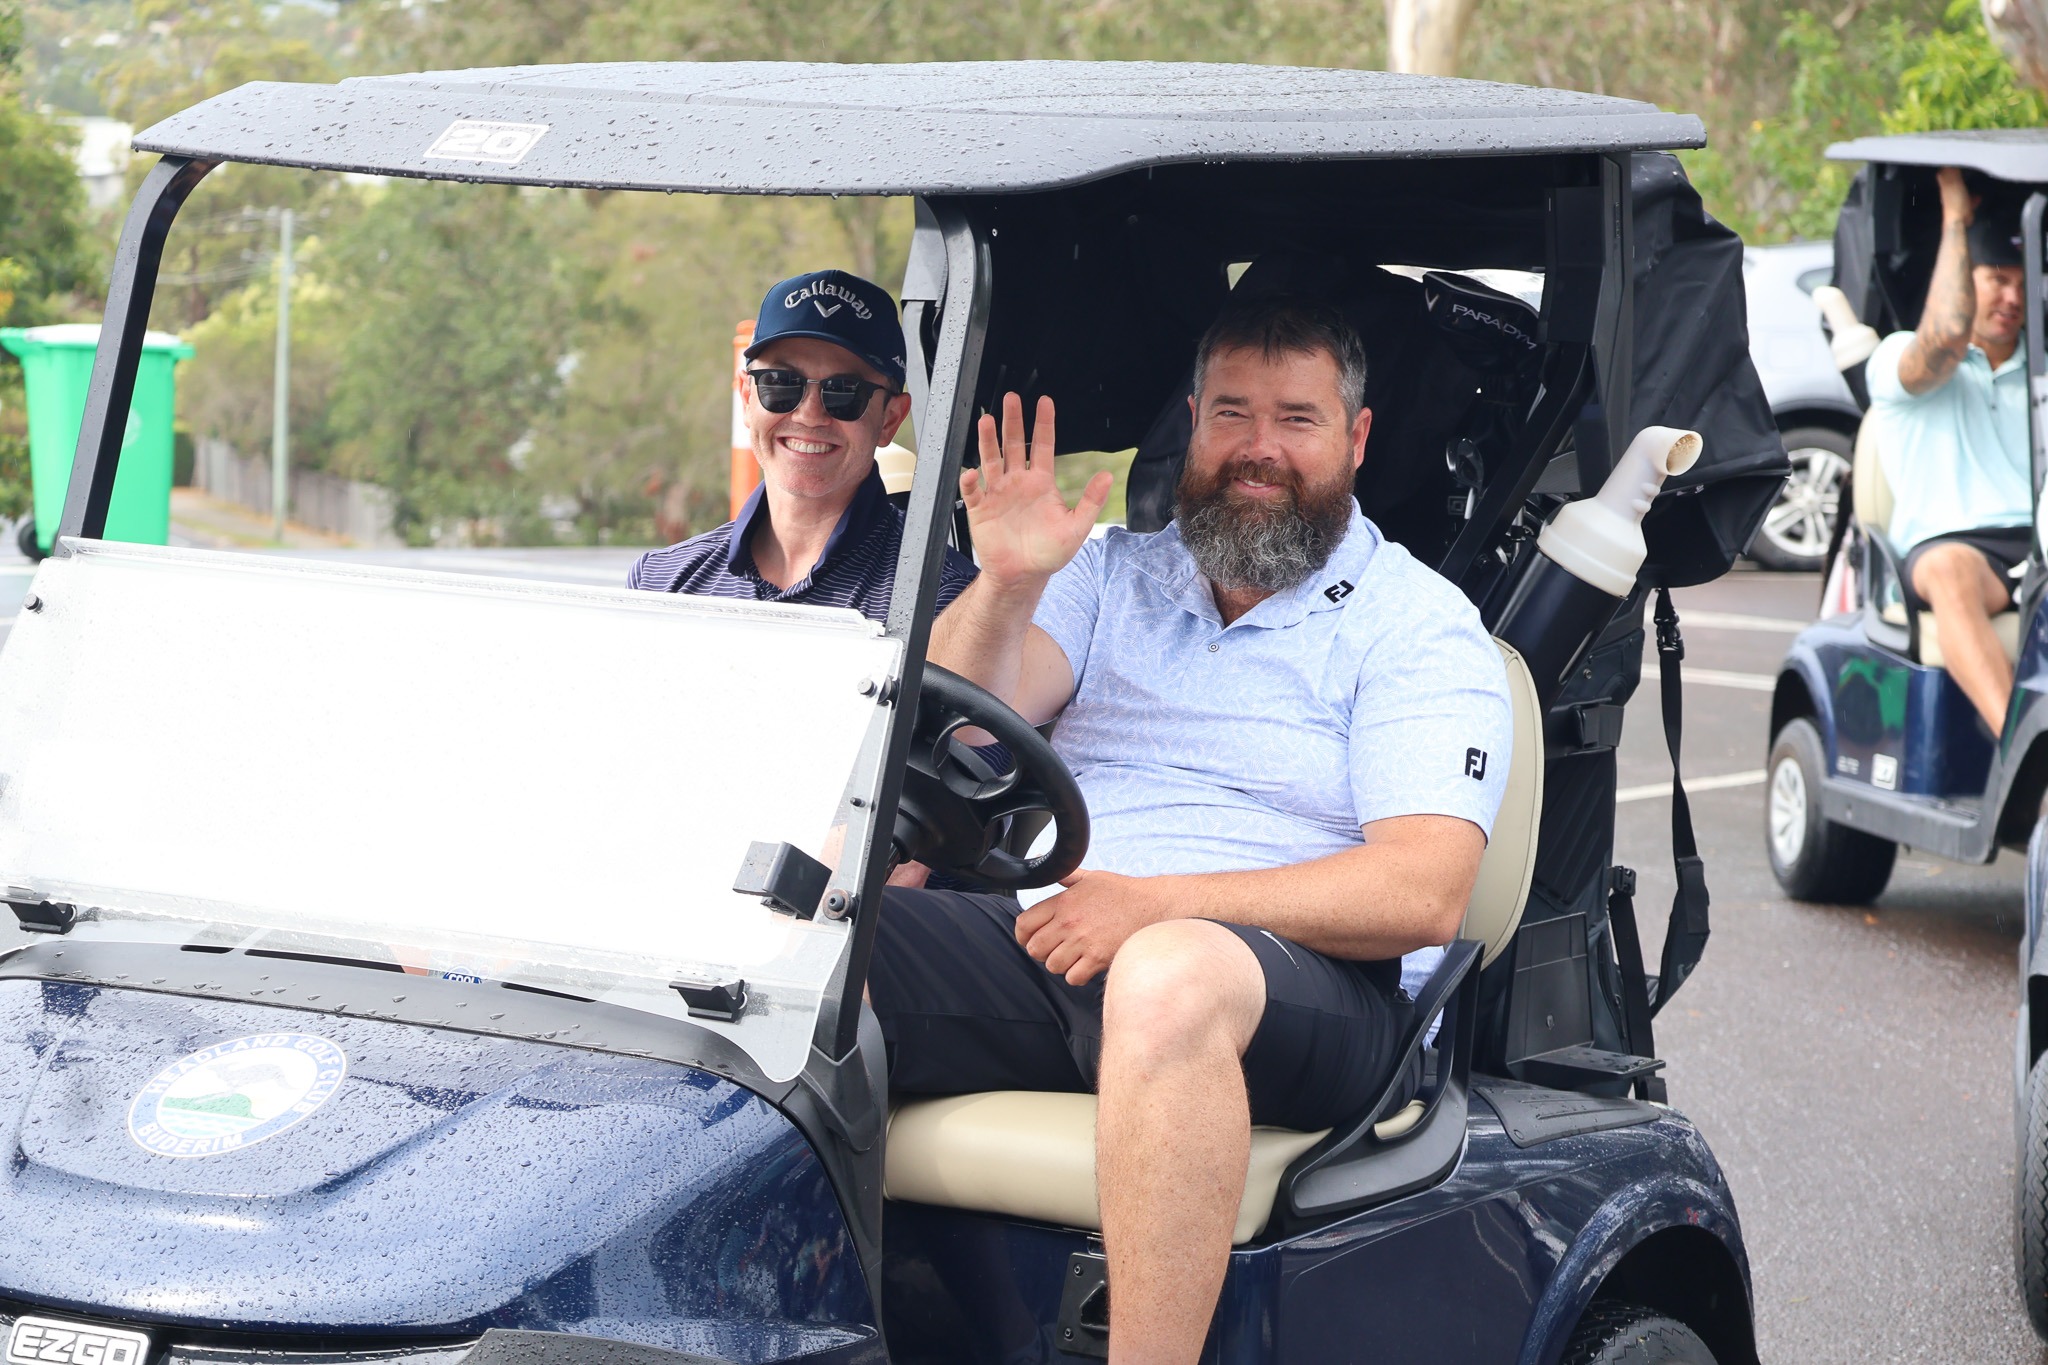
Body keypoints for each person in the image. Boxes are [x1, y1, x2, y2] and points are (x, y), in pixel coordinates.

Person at [874, 295, 1512, 1365]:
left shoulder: (1416, 624)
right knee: (809, 934)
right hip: (1067, 939)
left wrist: (1156, 907)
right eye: (1232, 413)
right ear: (1191, 423)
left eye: (1297, 419)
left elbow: (1421, 892)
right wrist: (1007, 584)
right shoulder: (1108, 572)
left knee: (1168, 974)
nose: (1259, 449)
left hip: (1306, 990)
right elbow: (948, 718)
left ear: (1356, 438)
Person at [627, 269, 977, 619]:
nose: (809, 415)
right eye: (781, 383)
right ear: (747, 396)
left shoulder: (953, 602)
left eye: (844, 392)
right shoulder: (660, 584)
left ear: (890, 419)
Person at [1868, 167, 2030, 733]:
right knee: (1949, 570)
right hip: (1954, 546)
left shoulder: (2040, 369)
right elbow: (1945, 336)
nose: (2012, 297)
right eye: (1996, 279)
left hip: (2037, 543)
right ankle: (2023, 756)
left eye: (2022, 282)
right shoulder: (1898, 359)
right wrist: (1957, 217)